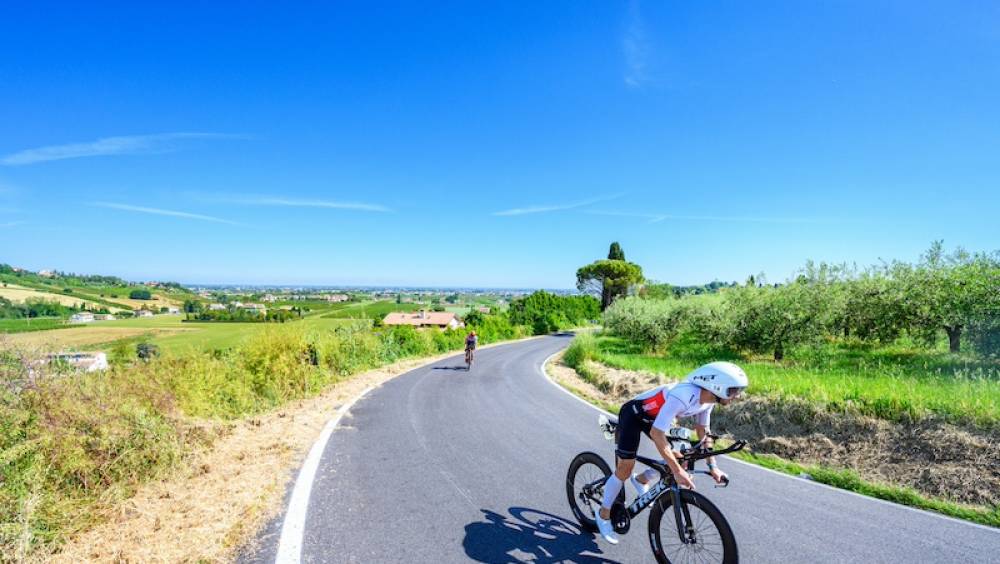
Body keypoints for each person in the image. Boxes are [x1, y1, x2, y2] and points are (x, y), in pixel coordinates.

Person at [594, 361, 749, 545]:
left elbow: (703, 433)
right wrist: (677, 471)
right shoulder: (683, 395)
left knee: (682, 456)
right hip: (633, 416)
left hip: (655, 419)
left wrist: (713, 467)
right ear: (717, 385)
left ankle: (641, 479)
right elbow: (656, 434)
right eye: (733, 391)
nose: (736, 396)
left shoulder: (708, 401)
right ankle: (603, 515)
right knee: (625, 469)